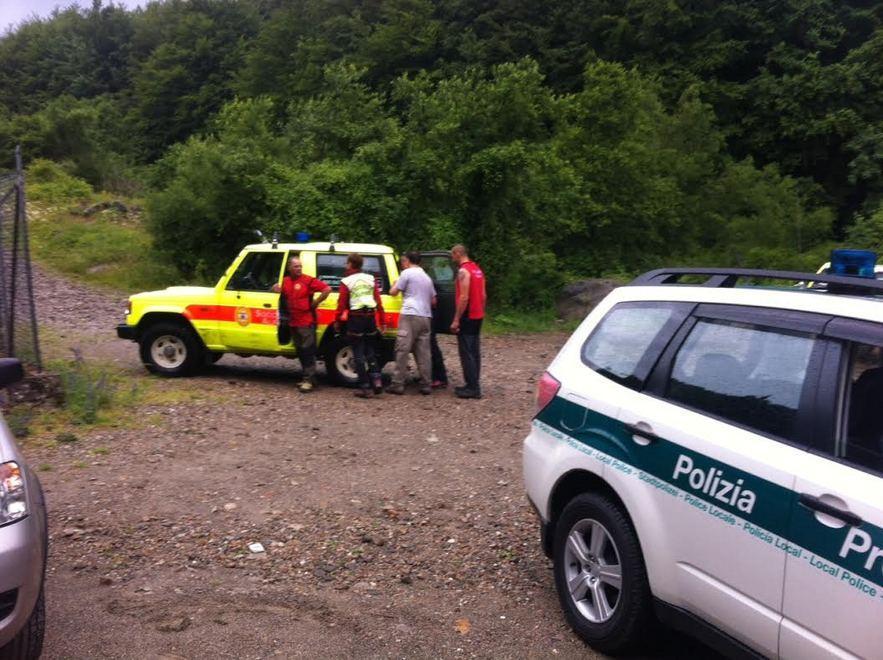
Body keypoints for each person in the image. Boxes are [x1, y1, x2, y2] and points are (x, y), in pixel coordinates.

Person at [271, 255, 331, 392]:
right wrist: (275, 289)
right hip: (293, 322)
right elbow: (282, 294)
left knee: (308, 351)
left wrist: (316, 302)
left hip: (306, 321)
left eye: (300, 266)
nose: (299, 269)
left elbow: (326, 289)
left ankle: (308, 380)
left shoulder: (307, 280)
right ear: (289, 268)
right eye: (296, 266)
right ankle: (310, 378)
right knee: (300, 352)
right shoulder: (285, 281)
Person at [335, 253, 386, 398]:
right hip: (370, 317)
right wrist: (382, 321)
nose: (346, 265)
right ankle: (377, 382)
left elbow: (341, 304)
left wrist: (337, 321)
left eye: (347, 263)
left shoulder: (346, 281)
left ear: (351, 264)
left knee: (358, 352)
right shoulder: (370, 279)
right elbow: (378, 301)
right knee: (370, 350)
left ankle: (364, 387)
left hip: (356, 318)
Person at [387, 251, 435, 395]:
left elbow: (393, 292)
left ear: (407, 261)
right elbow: (434, 300)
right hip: (426, 316)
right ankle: (426, 384)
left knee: (402, 349)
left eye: (403, 262)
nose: (402, 265)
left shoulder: (407, 273)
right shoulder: (427, 278)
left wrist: (394, 284)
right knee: (423, 352)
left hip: (409, 315)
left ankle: (397, 384)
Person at [450, 244, 486, 399]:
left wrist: (456, 319)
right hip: (478, 315)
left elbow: (464, 297)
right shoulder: (477, 269)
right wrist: (480, 310)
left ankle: (472, 388)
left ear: (458, 253)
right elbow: (483, 295)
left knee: (467, 352)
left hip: (467, 315)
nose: (452, 258)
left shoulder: (463, 271)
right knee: (474, 351)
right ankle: (473, 383)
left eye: (453, 255)